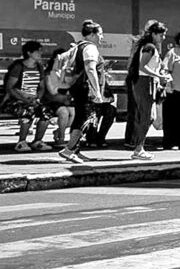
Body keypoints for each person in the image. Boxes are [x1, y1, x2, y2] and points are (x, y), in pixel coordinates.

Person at [58, 21, 109, 164]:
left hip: (78, 87)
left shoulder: (79, 46)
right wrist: (97, 92)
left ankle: (74, 150)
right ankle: (69, 149)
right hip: (86, 88)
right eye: (100, 33)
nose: (102, 37)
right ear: (92, 34)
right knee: (85, 118)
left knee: (81, 116)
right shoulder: (90, 48)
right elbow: (90, 68)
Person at [127, 21, 170, 160]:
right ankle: (138, 149)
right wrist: (159, 75)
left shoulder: (149, 47)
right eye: (161, 34)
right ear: (154, 34)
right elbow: (143, 67)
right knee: (146, 117)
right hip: (145, 83)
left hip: (147, 82)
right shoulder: (149, 47)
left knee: (147, 117)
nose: (163, 37)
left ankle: (139, 147)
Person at [4, 41, 52, 152]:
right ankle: (21, 142)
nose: (41, 53)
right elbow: (10, 88)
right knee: (28, 112)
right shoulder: (18, 67)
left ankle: (37, 141)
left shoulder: (39, 67)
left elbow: (41, 87)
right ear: (29, 53)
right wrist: (25, 100)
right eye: (38, 51)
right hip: (15, 101)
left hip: (33, 100)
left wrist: (37, 98)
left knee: (46, 113)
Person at [42, 48, 74, 147]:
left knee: (74, 112)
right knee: (64, 112)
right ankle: (61, 138)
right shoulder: (48, 73)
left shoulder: (65, 72)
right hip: (51, 101)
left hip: (64, 101)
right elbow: (52, 91)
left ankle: (59, 131)